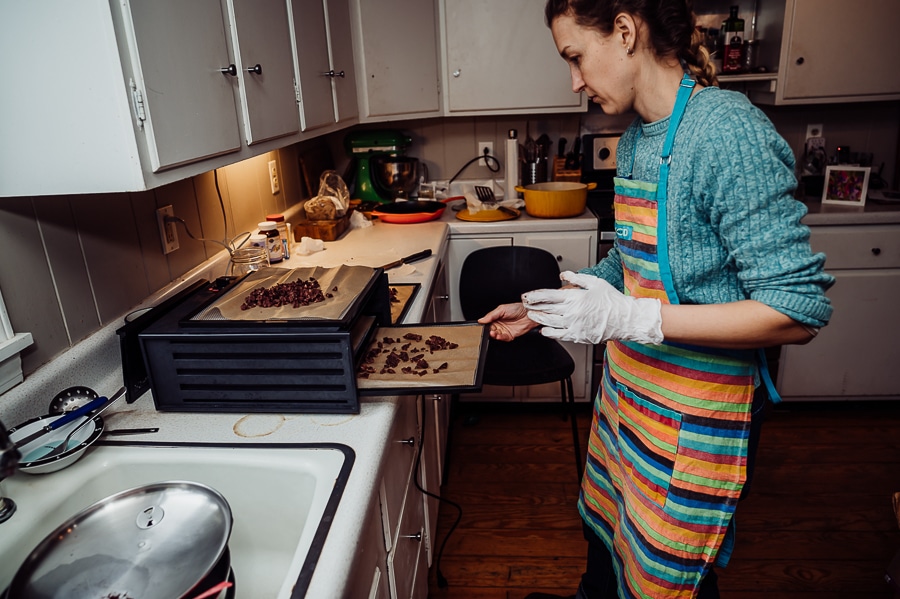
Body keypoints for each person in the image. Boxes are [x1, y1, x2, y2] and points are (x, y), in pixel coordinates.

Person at [477, 1, 835, 598]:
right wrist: (547, 305)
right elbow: (632, 261)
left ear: (624, 32)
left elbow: (795, 309)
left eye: (575, 58)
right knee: (611, 544)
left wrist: (630, 316)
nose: (575, 81)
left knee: (668, 572)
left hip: (692, 414)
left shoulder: (726, 131)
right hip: (630, 398)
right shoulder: (641, 140)